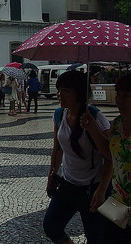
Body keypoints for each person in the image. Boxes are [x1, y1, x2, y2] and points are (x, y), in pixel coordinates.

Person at [43, 70, 111, 244]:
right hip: (68, 184)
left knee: (95, 237)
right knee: (51, 226)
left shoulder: (96, 117)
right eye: (59, 90)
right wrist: (52, 174)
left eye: (65, 90)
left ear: (78, 93)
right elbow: (57, 149)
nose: (59, 94)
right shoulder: (59, 114)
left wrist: (102, 189)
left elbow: (110, 156)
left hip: (92, 187)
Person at [86, 74, 131, 244]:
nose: (119, 100)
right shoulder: (118, 125)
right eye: (118, 94)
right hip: (121, 205)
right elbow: (111, 154)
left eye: (126, 96)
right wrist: (93, 128)